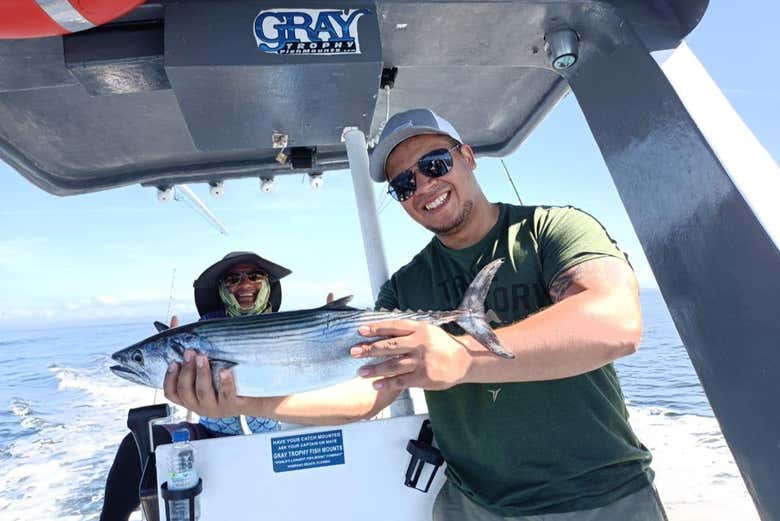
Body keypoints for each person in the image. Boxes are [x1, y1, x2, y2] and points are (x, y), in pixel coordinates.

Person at [163, 109, 665, 521]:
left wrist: (463, 358)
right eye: (403, 184)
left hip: (603, 499)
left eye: (434, 163)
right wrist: (248, 403)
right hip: (472, 505)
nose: (422, 186)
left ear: (466, 156)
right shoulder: (405, 287)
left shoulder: (551, 229)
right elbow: (369, 391)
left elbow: (614, 324)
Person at [100, 251, 291, 521]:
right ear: (223, 290)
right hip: (209, 435)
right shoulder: (201, 330)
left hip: (274, 439)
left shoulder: (292, 329)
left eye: (255, 276)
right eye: (233, 279)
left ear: (268, 285)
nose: (245, 284)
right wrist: (169, 349)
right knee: (134, 446)